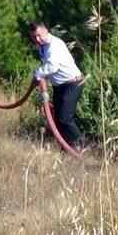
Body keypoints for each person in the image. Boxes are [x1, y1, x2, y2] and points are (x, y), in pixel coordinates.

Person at [29, 20, 85, 150]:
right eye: (33, 37)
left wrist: (37, 75)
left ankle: (78, 145)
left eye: (39, 35)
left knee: (64, 117)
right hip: (59, 85)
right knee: (58, 119)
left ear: (46, 31)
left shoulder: (54, 45)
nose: (37, 39)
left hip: (73, 83)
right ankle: (67, 148)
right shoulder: (43, 46)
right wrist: (41, 77)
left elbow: (52, 66)